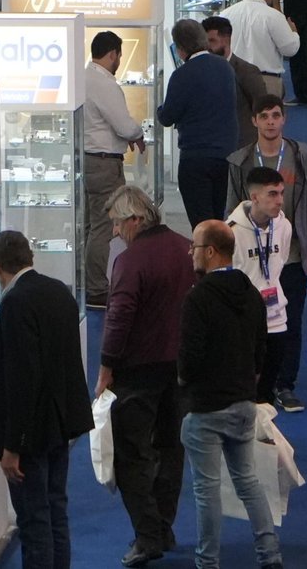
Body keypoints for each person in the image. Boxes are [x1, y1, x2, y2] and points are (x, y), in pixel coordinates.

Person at [0, 230, 93, 569]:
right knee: (55, 510)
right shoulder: (58, 291)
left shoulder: (15, 303)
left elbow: (21, 379)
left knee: (34, 520)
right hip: (59, 424)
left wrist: (13, 445)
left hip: (30, 434)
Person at [95, 187, 195, 567]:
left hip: (137, 372)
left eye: (118, 223)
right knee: (171, 449)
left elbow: (119, 318)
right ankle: (163, 528)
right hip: (180, 369)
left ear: (135, 219)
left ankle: (148, 535)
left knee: (130, 455)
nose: (115, 231)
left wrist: (105, 368)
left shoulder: (130, 261)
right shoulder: (186, 249)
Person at [178, 219, 284, 569]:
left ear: (210, 251)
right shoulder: (251, 293)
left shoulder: (197, 298)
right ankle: (269, 554)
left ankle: (207, 562)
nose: (190, 253)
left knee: (206, 490)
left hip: (206, 408)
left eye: (194, 247)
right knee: (248, 481)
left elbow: (190, 358)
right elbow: (260, 350)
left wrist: (185, 385)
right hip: (243, 403)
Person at [225, 95, 307, 412]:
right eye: (264, 116)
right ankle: (251, 384)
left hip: (291, 255)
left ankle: (285, 385)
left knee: (291, 322)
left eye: (276, 115)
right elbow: (231, 210)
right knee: (249, 326)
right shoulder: (240, 161)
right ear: (254, 120)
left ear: (284, 119)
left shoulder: (301, 156)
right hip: (252, 260)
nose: (270, 121)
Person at [84, 31, 147, 307]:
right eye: (119, 56)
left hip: (86, 161)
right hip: (104, 163)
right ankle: (97, 288)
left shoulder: (82, 78)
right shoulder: (105, 84)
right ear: (113, 54)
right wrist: (137, 134)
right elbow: (124, 126)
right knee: (104, 226)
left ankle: (87, 282)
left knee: (89, 226)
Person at [157, 19, 240, 227]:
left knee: (202, 226)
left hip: (195, 158)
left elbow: (167, 117)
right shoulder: (226, 68)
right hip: (225, 155)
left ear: (180, 48)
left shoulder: (182, 75)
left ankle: (206, 250)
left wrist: (159, 109)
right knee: (217, 220)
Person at [225, 166, 294, 405]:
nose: (280, 201)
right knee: (243, 390)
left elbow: (281, 261)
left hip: (276, 319)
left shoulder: (284, 226)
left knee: (266, 392)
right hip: (245, 321)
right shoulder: (231, 232)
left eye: (281, 193)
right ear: (254, 197)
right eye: (272, 194)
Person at [220, 0, 300, 99]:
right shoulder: (274, 16)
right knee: (267, 112)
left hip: (233, 79)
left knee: (236, 111)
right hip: (266, 81)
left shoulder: (225, 14)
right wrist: (294, 33)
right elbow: (289, 49)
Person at [202, 16, 263, 149]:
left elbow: (262, 108)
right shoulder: (201, 71)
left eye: (211, 41)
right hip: (209, 144)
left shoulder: (247, 72)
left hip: (240, 146)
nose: (207, 47)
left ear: (226, 40)